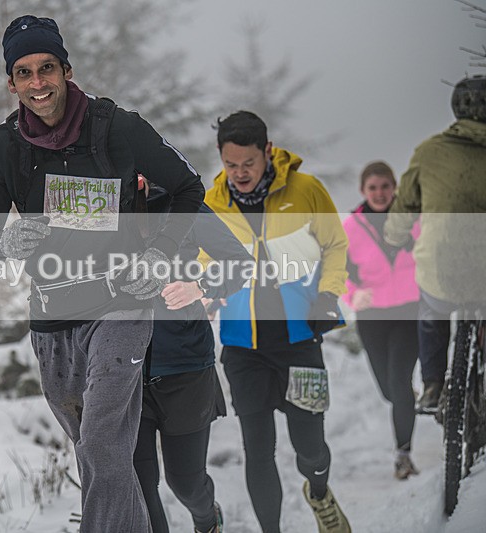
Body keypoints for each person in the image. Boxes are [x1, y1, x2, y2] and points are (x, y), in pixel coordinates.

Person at [0, 15, 204, 533]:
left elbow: (188, 188)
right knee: (96, 454)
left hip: (121, 304)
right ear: (11, 82)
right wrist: (6, 242)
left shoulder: (117, 128)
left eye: (46, 68)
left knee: (101, 441)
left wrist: (160, 253)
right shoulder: (2, 148)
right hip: (52, 318)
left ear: (66, 70)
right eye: (24, 73)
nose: (37, 83)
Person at [203, 111, 351, 533]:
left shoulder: (304, 189)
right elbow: (202, 260)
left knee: (311, 448)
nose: (240, 173)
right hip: (242, 347)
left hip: (301, 339)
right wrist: (207, 291)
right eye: (231, 164)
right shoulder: (212, 203)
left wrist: (329, 292)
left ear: (268, 152)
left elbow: (335, 243)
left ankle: (319, 493)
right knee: (258, 450)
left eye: (248, 163)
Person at [133, 177, 254, 533]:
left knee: (185, 482)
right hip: (123, 368)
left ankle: (207, 518)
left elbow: (239, 262)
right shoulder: (105, 211)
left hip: (185, 366)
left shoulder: (182, 206)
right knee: (139, 483)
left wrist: (200, 287)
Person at [384, 75, 486, 414]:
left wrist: (394, 238)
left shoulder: (429, 151)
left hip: (443, 269)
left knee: (430, 310)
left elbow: (405, 205)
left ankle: (432, 385)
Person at [342, 161, 420, 479]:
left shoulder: (413, 221)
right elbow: (340, 271)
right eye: (372, 187)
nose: (379, 193)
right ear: (363, 191)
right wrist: (352, 296)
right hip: (372, 316)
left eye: (385, 186)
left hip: (409, 313)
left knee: (399, 384)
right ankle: (404, 400)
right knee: (389, 390)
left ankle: (403, 454)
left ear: (394, 188)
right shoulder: (351, 227)